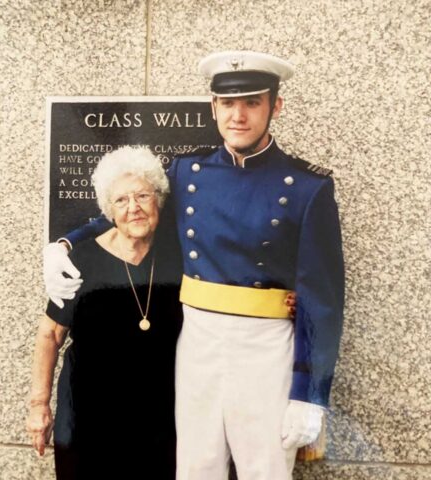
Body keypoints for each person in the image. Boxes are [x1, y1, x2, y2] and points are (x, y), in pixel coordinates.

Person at [43, 50, 343, 480]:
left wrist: (310, 393)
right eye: (227, 103)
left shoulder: (307, 187)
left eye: (252, 102)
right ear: (213, 107)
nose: (238, 115)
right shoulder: (188, 170)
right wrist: (64, 245)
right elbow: (132, 208)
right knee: (195, 468)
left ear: (275, 106)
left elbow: (324, 299)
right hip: (196, 340)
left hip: (266, 345)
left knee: (266, 469)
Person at [26, 146, 184, 479]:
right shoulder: (81, 261)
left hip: (161, 417)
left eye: (143, 195)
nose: (134, 208)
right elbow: (50, 334)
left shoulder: (179, 257)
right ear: (108, 211)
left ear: (159, 200)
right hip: (88, 416)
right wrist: (39, 405)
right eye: (122, 201)